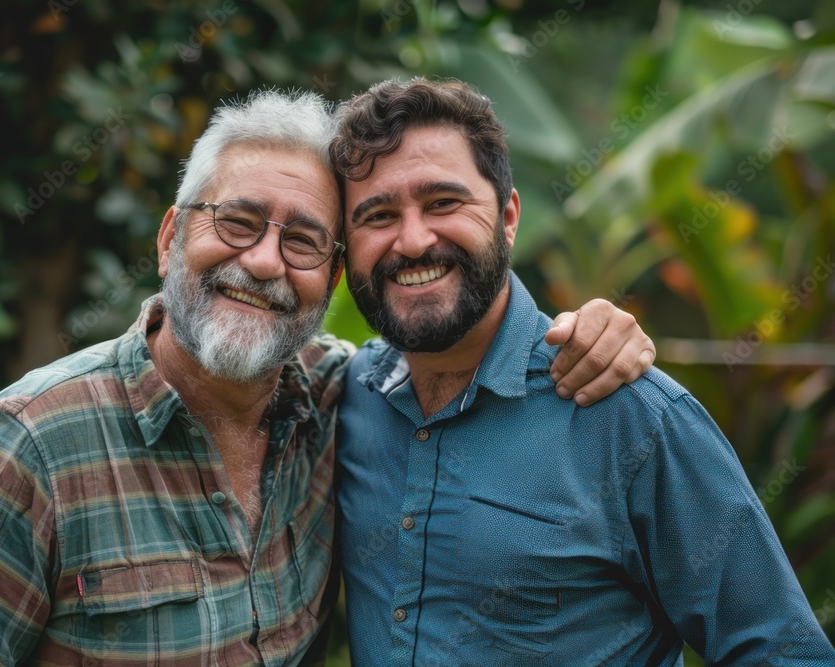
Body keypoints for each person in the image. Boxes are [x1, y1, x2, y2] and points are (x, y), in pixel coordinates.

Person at [0, 89, 653, 666]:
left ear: (334, 277)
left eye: (306, 241)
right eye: (237, 223)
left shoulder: (345, 402)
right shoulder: (27, 449)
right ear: (173, 233)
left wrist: (583, 334)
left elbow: (455, 355)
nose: (266, 262)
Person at [333, 77, 835, 666]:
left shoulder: (631, 416)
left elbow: (781, 652)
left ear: (509, 215)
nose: (413, 240)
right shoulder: (341, 396)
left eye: (444, 203)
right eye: (378, 215)